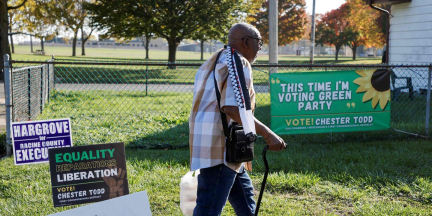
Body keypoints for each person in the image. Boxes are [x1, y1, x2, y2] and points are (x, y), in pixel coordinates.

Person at [189, 23, 286, 216]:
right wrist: (268, 134)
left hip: (220, 148)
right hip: (222, 150)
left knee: (246, 204)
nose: (260, 48)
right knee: (208, 210)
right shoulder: (238, 62)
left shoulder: (214, 59)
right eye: (259, 43)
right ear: (246, 41)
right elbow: (233, 108)